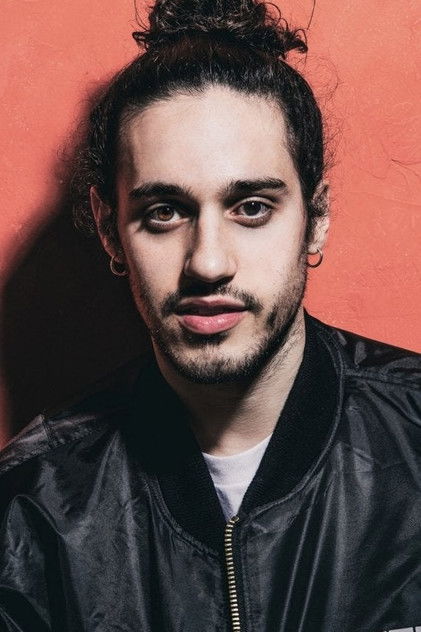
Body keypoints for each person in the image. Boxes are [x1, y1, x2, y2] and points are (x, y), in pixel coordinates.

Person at [0, 0, 420, 630]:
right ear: (111, 231)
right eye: (164, 212)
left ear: (316, 218)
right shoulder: (29, 510)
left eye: (251, 207)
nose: (208, 262)